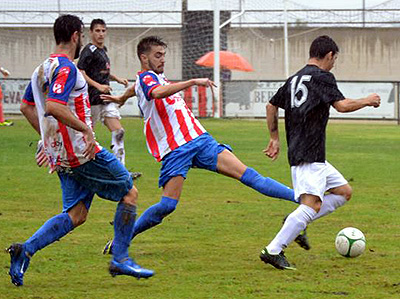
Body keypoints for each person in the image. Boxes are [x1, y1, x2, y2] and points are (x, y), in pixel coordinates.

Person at [100, 35, 298, 256]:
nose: (162, 59)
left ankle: (301, 197)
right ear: (143, 57)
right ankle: (123, 238)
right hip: (176, 149)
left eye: (164, 55)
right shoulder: (148, 78)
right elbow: (154, 92)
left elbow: (137, 87)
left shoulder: (154, 77)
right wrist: (193, 82)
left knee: (251, 176)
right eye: (158, 55)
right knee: (166, 206)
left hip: (200, 140)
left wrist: (120, 98)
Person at [8, 14, 153, 287]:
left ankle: (25, 249)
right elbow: (53, 105)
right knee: (130, 193)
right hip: (81, 152)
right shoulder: (66, 68)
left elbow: (28, 107)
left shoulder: (40, 68)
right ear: (76, 35)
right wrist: (85, 130)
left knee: (77, 215)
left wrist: (47, 139)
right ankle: (120, 258)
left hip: (62, 156)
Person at [259, 35, 381, 270]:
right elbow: (342, 106)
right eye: (334, 59)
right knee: (311, 205)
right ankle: (273, 249)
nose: (334, 63)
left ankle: (296, 222)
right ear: (329, 55)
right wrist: (368, 101)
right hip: (309, 153)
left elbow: (270, 105)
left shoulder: (294, 78)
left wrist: (274, 137)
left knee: (343, 192)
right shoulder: (323, 77)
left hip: (308, 153)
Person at [77, 19, 136, 174]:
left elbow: (102, 72)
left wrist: (116, 79)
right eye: (97, 31)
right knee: (88, 137)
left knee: (119, 132)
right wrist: (98, 86)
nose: (101, 34)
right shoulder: (88, 50)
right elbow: (81, 72)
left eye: (103, 30)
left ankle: (120, 170)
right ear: (91, 33)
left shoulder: (103, 51)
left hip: (105, 98)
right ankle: (83, 167)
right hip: (91, 99)